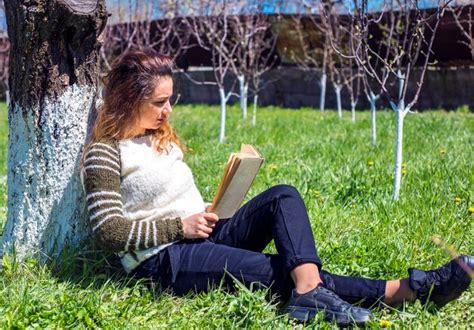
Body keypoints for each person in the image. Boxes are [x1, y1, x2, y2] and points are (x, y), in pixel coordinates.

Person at [81, 48, 472, 326]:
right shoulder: (105, 152)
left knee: (283, 194)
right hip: (164, 259)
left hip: (204, 232)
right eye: (160, 102)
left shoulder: (158, 137)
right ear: (130, 100)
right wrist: (179, 227)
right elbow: (108, 232)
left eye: (171, 99)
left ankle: (310, 292)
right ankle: (406, 290)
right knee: (276, 270)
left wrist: (217, 205)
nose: (169, 110)